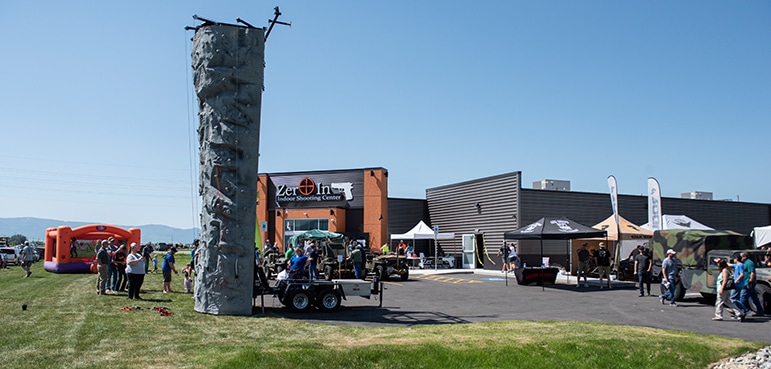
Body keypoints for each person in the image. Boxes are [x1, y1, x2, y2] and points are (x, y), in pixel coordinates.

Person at [741, 252, 764, 317]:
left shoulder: (749, 263)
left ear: (745, 256)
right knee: (754, 298)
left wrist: (750, 282)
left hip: (748, 283)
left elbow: (752, 273)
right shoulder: (745, 263)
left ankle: (741, 310)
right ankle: (760, 311)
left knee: (743, 298)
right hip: (747, 282)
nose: (741, 258)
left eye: (742, 256)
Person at [729, 253, 749, 321]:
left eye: (734, 258)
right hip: (738, 284)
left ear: (736, 259)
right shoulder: (736, 265)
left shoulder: (740, 265)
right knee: (736, 298)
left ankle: (745, 309)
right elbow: (730, 265)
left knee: (732, 298)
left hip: (738, 284)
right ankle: (739, 312)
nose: (733, 260)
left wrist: (736, 281)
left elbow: (742, 274)